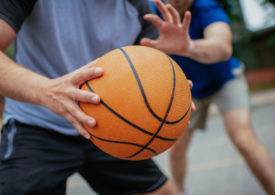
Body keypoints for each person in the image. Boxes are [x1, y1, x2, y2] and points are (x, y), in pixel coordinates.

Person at [0, 0, 198, 194]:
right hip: (38, 125)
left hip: (110, 127)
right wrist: (47, 90)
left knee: (163, 192)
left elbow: (143, 77)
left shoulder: (139, 7)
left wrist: (171, 93)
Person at [141, 0, 275, 194]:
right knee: (176, 150)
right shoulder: (150, 14)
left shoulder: (206, 7)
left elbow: (222, 47)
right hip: (187, 89)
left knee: (244, 140)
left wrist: (188, 47)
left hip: (225, 80)